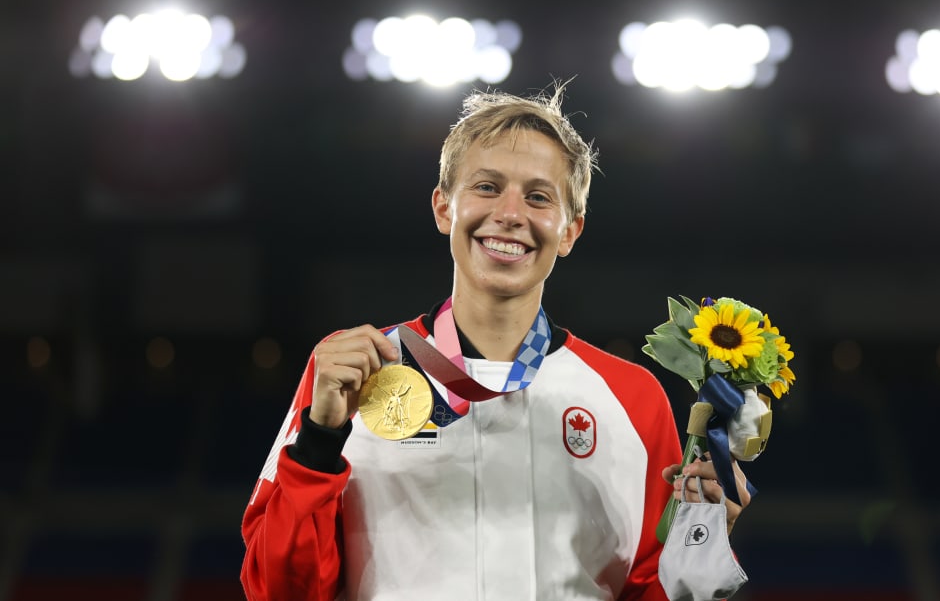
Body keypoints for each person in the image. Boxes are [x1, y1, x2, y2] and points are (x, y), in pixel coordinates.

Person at [240, 83, 751, 601]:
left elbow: (653, 590)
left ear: (570, 231)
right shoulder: (357, 370)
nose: (510, 213)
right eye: (486, 187)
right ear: (444, 208)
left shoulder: (633, 397)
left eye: (537, 196)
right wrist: (321, 440)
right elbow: (275, 590)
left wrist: (702, 542)